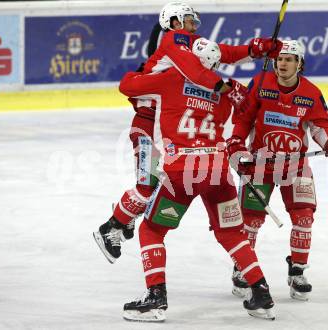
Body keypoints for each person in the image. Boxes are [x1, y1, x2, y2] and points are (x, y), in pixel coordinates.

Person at [93, 1, 282, 263]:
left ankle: (124, 218)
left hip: (165, 125)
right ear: (174, 22)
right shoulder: (175, 40)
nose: (196, 26)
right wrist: (225, 87)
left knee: (159, 185)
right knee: (147, 186)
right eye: (190, 20)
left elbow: (221, 53)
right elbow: (195, 73)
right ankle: (110, 228)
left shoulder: (189, 45)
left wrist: (254, 49)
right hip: (149, 124)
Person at [118, 38, 275, 322]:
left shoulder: (170, 78)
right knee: (231, 233)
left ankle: (155, 299)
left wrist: (149, 67)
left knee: (151, 231)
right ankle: (261, 292)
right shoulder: (227, 90)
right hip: (217, 170)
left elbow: (127, 85)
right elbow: (252, 111)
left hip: (182, 171)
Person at [226, 40, 328, 301]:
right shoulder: (259, 84)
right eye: (280, 58)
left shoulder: (311, 93)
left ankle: (298, 270)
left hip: (295, 164)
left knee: (304, 217)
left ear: (300, 64)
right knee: (251, 219)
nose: (283, 63)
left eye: (290, 59)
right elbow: (244, 118)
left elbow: (320, 126)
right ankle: (242, 269)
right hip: (260, 163)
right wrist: (236, 143)